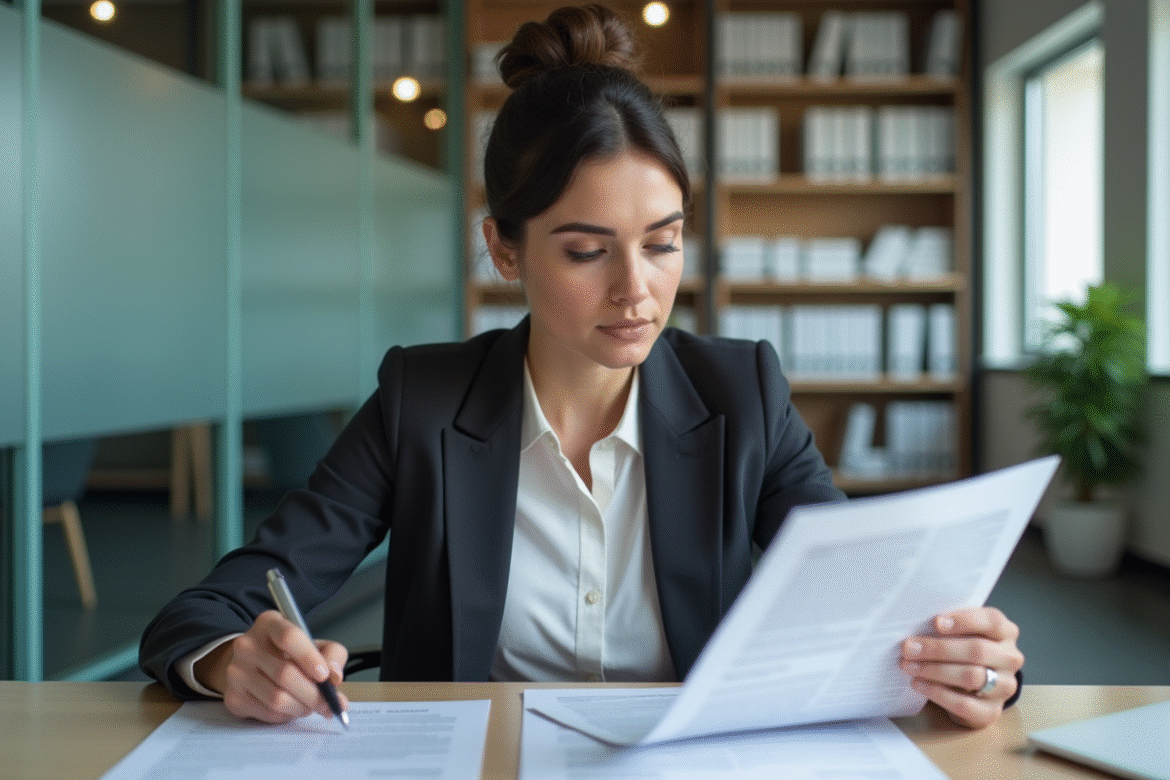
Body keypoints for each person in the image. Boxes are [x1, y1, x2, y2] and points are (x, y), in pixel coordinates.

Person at [139, 3, 1024, 732]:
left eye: (663, 243)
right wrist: (230, 661)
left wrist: (975, 672)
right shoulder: (423, 399)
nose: (636, 291)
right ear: (506, 251)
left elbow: (872, 606)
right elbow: (204, 612)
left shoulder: (742, 394)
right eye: (587, 251)